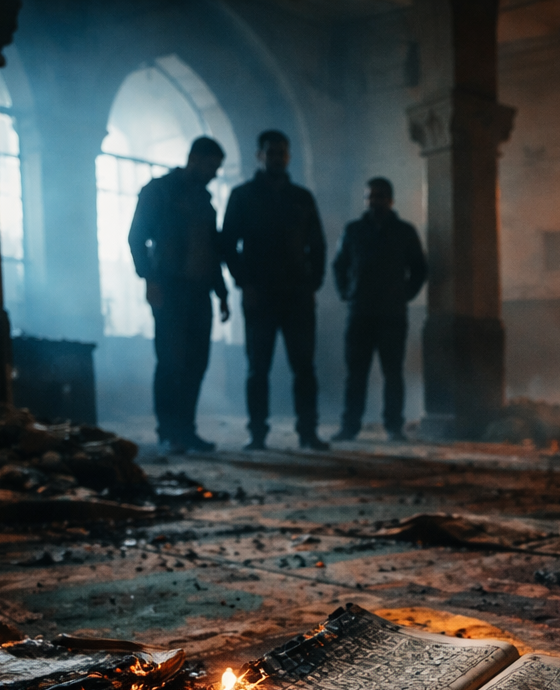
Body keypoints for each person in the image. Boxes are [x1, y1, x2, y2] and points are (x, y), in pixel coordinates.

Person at [221, 130, 328, 451]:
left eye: (281, 152)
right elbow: (228, 245)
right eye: (270, 152)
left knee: (304, 367)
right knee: (257, 369)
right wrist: (245, 284)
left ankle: (307, 432)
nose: (276, 157)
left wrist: (312, 284)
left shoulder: (302, 198)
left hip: (297, 295)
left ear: (288, 156)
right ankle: (257, 434)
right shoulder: (242, 196)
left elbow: (318, 245)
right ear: (259, 155)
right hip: (260, 296)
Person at [128, 136, 230, 453]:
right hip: (170, 290)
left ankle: (185, 429)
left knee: (196, 364)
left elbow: (212, 251)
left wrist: (222, 293)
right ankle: (169, 430)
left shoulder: (205, 201)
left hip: (200, 293)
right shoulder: (158, 191)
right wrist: (150, 278)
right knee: (172, 362)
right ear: (194, 159)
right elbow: (136, 237)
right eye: (211, 165)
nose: (214, 173)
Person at [331, 177, 427, 442]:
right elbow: (339, 265)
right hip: (360, 312)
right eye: (372, 196)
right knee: (356, 374)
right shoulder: (353, 230)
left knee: (393, 373)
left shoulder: (405, 232)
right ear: (365, 200)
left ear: (391, 199)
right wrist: (345, 292)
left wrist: (403, 295)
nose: (376, 201)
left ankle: (394, 427)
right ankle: (350, 426)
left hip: (392, 315)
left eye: (381, 196)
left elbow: (419, 269)